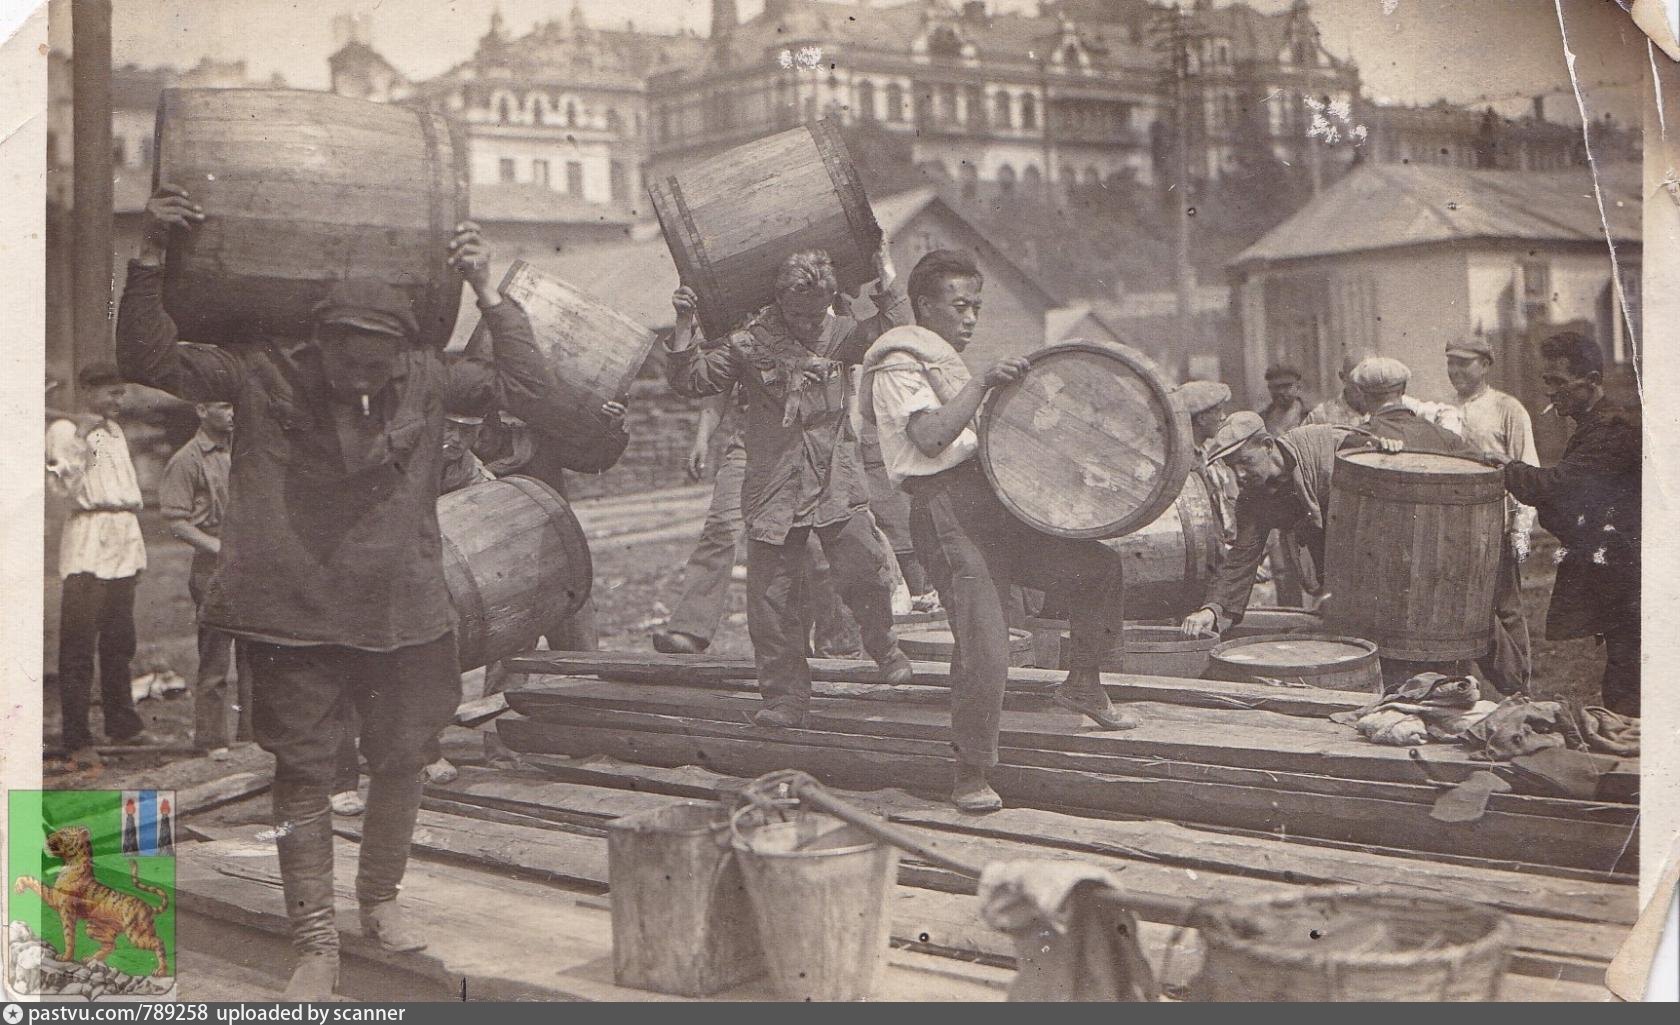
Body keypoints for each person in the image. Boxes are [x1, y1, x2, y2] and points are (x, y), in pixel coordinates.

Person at [119, 181, 560, 999]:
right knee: (305, 770)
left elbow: (528, 389)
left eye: (376, 359)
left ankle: (379, 902)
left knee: (405, 758)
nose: (361, 374)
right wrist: (149, 255)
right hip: (294, 614)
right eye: (345, 355)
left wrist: (488, 293)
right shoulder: (260, 373)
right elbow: (146, 359)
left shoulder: (427, 379)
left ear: (400, 351)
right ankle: (314, 939)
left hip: (404, 611)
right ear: (317, 343)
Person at [863, 249, 1139, 813]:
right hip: (946, 512)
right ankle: (970, 770)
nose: (970, 319)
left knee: (1097, 570)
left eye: (976, 307)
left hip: (993, 505)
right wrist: (985, 383)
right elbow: (931, 438)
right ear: (922, 307)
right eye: (958, 306)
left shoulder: (943, 364)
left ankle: (1083, 683)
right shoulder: (897, 365)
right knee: (986, 641)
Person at [665, 245, 914, 729]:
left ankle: (883, 646)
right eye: (796, 314)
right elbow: (693, 379)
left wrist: (886, 274)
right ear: (779, 302)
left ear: (830, 300)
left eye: (815, 313)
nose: (806, 324)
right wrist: (682, 325)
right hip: (773, 485)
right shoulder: (750, 343)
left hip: (834, 480)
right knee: (772, 597)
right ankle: (784, 698)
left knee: (862, 567)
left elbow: (897, 334)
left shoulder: (840, 333)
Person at [1342, 357, 1527, 694]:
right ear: (1404, 391)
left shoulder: (1358, 443)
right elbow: (1485, 472)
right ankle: (1514, 686)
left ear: (1363, 395)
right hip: (1450, 581)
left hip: (1388, 594)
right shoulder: (1445, 438)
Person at [1482, 332, 1640, 716]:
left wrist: (1508, 468)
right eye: (1546, 381)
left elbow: (1561, 486)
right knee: (1624, 674)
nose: (1550, 392)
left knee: (1629, 683)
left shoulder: (1612, 428)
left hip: (1634, 574)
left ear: (1591, 380)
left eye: (1558, 382)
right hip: (1622, 573)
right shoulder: (1595, 424)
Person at [650, 388, 857, 658]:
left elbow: (849, 383)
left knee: (814, 542)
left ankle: (834, 646)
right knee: (721, 525)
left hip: (812, 440)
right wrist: (702, 438)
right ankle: (690, 629)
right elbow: (718, 386)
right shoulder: (737, 343)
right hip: (752, 441)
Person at [45, 363, 153, 763]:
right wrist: (80, 440)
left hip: (123, 538)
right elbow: (62, 489)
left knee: (119, 640)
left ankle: (122, 724)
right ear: (88, 390)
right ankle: (76, 738)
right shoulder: (64, 431)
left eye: (121, 393)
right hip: (88, 540)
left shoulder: (114, 431)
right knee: (78, 645)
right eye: (112, 394)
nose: (118, 401)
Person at [158, 400, 252, 759]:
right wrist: (217, 547)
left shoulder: (242, 450)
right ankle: (212, 739)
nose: (232, 413)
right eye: (225, 406)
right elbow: (177, 522)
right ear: (201, 410)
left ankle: (251, 735)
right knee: (215, 656)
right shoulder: (187, 459)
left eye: (233, 406)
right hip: (212, 566)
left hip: (249, 561)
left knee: (253, 652)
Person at [1447, 336, 1537, 691]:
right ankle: (1463, 688)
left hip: (1496, 523)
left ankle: (1521, 688)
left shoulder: (1507, 408)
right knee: (1459, 606)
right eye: (1450, 362)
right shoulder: (1445, 411)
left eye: (1464, 363)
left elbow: (1527, 468)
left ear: (1485, 364)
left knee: (1506, 608)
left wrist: (1520, 530)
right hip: (1456, 528)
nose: (1455, 370)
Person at [1305, 346, 1464, 437]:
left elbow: (1446, 413)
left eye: (1372, 379)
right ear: (1343, 377)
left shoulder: (1398, 403)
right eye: (1359, 381)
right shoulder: (1322, 416)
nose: (1367, 387)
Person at [1174, 379, 1238, 546]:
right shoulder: (1184, 462)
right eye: (1218, 411)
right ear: (1201, 418)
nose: (1223, 417)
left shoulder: (1206, 454)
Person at [1259, 364, 1310, 436]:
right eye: (1275, 387)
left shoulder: (1310, 416)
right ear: (1269, 388)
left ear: (1298, 387)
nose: (1281, 391)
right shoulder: (1261, 419)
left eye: (1286, 386)